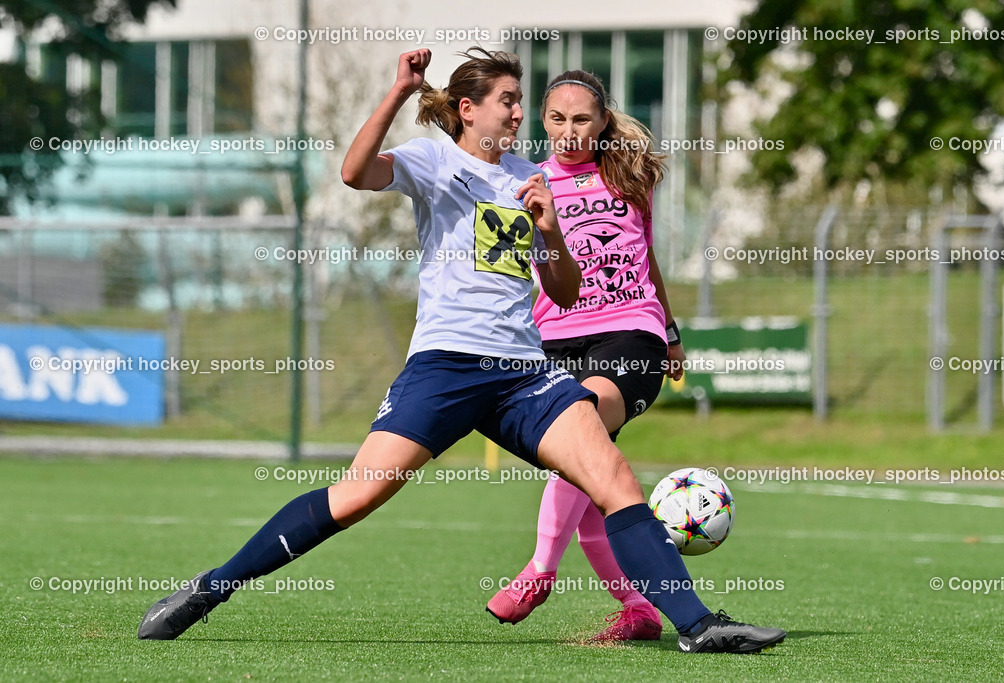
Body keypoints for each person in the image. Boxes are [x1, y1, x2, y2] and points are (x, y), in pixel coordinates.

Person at [136, 47, 785, 655]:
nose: (518, 112)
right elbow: (355, 172)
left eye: (519, 101)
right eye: (507, 100)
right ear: (469, 110)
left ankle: (697, 625)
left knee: (613, 479)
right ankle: (210, 587)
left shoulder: (535, 180)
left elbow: (562, 292)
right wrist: (398, 91)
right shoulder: (434, 162)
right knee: (356, 498)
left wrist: (552, 229)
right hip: (445, 366)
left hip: (523, 372)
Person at [486, 70, 684, 642]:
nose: (569, 132)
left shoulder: (631, 178)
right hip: (554, 344)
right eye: (557, 119)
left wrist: (669, 332)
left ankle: (538, 571)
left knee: (586, 415)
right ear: (541, 121)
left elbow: (647, 262)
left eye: (581, 120)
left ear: (602, 123)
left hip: (631, 333)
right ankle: (640, 609)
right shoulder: (520, 184)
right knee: (594, 493)